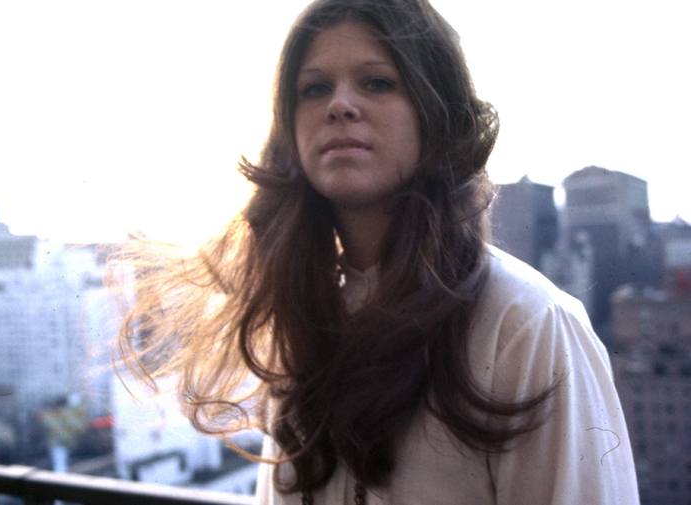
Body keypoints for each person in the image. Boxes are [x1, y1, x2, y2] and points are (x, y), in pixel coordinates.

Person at [113, 0, 640, 503]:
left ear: (435, 111)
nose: (340, 105)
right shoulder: (307, 321)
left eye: (377, 82)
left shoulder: (525, 324)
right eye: (314, 88)